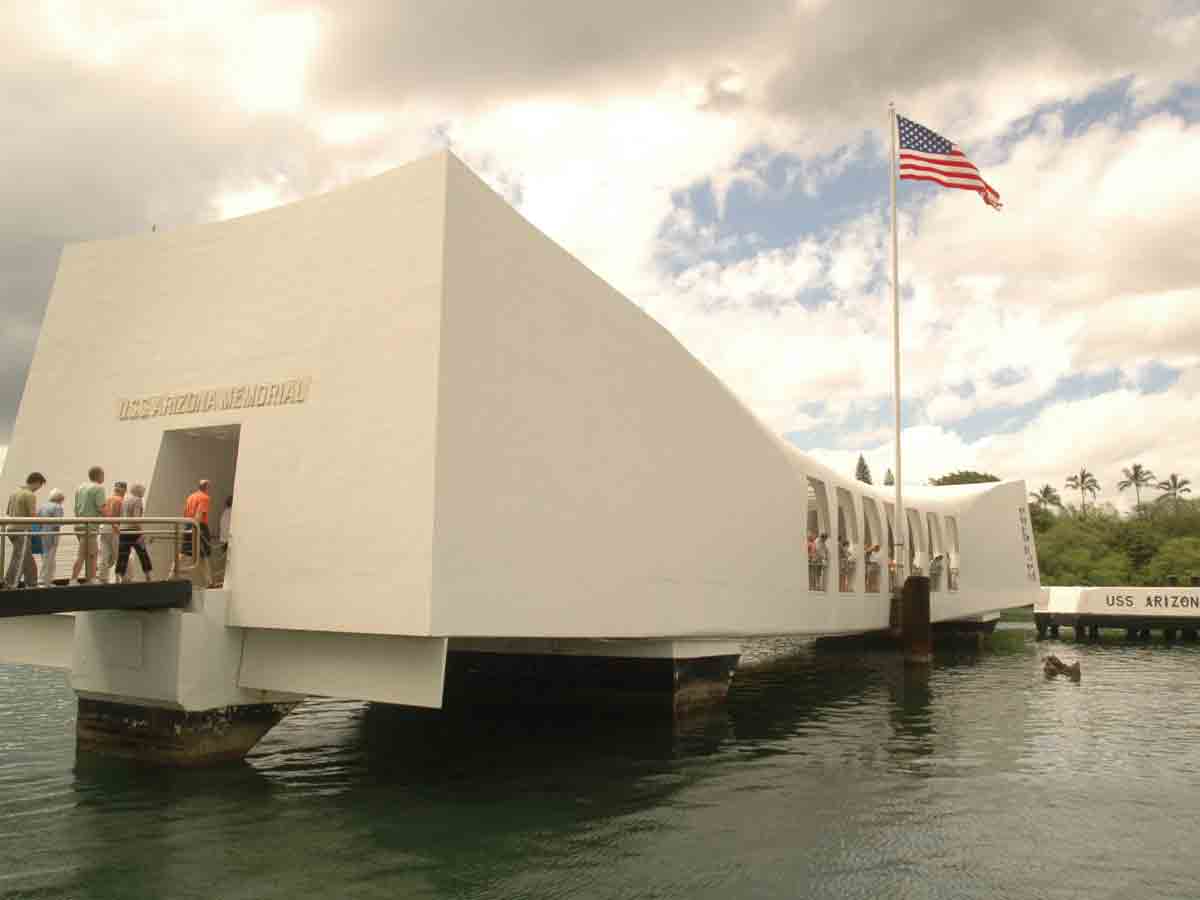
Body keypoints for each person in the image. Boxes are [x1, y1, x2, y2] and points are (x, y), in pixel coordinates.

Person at [4, 472, 46, 589]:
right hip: (21, 530)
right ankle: (11, 585)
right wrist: (42, 521)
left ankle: (32, 583)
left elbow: (8, 512)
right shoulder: (30, 495)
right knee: (20, 559)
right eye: (40, 486)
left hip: (11, 529)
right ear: (37, 482)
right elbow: (32, 515)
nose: (38, 489)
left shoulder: (14, 493)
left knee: (25, 558)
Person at [73, 466, 106, 584]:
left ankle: (87, 578)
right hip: (90, 527)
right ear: (99, 475)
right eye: (103, 475)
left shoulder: (80, 488)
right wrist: (112, 521)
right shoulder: (98, 488)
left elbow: (76, 508)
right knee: (90, 554)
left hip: (78, 525)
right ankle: (84, 579)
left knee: (86, 553)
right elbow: (101, 508)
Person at [116, 483, 152, 583]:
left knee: (123, 554)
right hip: (134, 532)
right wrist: (142, 532)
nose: (143, 494)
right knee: (142, 553)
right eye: (143, 491)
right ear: (138, 491)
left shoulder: (125, 499)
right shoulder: (137, 500)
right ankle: (148, 575)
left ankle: (119, 577)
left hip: (123, 531)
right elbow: (136, 518)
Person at [181, 479, 213, 587]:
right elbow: (199, 514)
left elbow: (184, 513)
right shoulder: (205, 498)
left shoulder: (191, 496)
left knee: (184, 552)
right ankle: (209, 582)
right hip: (199, 526)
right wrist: (196, 528)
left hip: (188, 524)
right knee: (204, 554)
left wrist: (189, 526)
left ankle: (171, 576)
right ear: (206, 487)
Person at [97, 481, 127, 584]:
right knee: (119, 554)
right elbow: (121, 517)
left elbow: (102, 512)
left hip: (104, 528)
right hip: (115, 529)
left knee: (104, 554)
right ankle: (121, 578)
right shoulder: (121, 500)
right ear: (124, 490)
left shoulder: (108, 499)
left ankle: (102, 577)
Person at [36, 489, 66, 587]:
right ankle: (46, 580)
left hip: (42, 534)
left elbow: (37, 522)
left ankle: (44, 579)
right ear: (60, 499)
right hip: (52, 535)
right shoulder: (58, 507)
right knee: (50, 558)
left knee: (44, 558)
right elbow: (58, 523)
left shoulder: (42, 506)